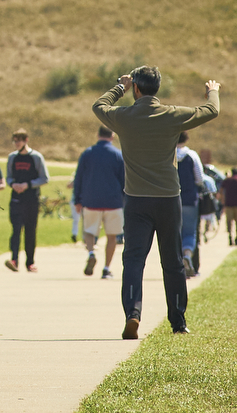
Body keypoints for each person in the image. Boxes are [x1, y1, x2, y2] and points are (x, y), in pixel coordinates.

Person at [92, 65, 220, 339]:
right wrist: (212, 92)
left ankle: (133, 315)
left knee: (134, 261)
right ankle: (178, 321)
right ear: (157, 88)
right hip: (168, 200)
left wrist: (119, 87)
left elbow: (99, 105)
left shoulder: (124, 117)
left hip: (136, 201)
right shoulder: (171, 114)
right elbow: (211, 111)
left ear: (136, 88)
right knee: (172, 262)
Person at [73, 127, 125, 279]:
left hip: (91, 200)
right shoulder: (117, 154)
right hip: (113, 202)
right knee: (112, 236)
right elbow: (124, 180)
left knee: (89, 231)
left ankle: (91, 252)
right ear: (113, 136)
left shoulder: (87, 153)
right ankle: (106, 268)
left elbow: (79, 178)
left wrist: (77, 199)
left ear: (98, 135)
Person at [3, 129, 49, 272]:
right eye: (15, 141)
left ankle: (30, 262)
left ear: (26, 140)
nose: (16, 143)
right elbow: (9, 177)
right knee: (16, 229)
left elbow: (45, 178)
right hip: (16, 199)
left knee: (30, 231)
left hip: (31, 200)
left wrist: (27, 185)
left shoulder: (36, 157)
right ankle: (14, 260)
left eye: (19, 140)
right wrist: (13, 184)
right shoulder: (12, 157)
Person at [175, 132, 205, 279]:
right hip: (189, 199)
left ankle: (178, 264)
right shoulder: (191, 155)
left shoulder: (168, 155)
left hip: (172, 200)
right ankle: (187, 254)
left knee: (175, 233)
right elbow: (199, 178)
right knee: (190, 231)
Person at [221, 166, 237, 245]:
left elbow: (221, 190)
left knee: (229, 221)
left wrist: (223, 200)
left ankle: (230, 236)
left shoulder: (227, 180)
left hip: (228, 204)